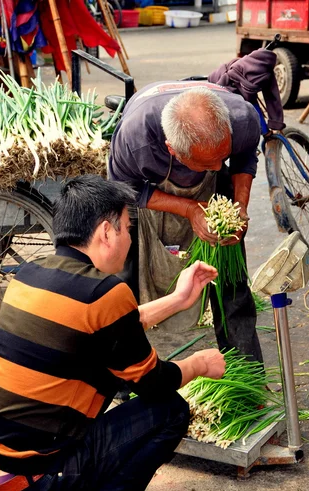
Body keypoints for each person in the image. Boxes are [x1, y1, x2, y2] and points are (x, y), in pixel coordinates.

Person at [0, 175, 226, 491]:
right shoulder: (107, 292)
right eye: (128, 229)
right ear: (106, 232)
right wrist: (198, 364)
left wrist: (178, 300)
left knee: (85, 376)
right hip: (28, 481)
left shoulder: (31, 275)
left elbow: (107, 330)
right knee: (169, 410)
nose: (130, 240)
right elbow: (153, 383)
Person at [109, 82, 263, 363]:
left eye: (221, 157)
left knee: (231, 276)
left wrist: (239, 208)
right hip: (144, 187)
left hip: (205, 157)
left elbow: (242, 159)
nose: (218, 169)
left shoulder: (243, 118)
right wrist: (190, 209)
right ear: (172, 150)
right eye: (206, 164)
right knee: (123, 278)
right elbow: (124, 189)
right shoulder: (136, 141)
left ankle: (245, 365)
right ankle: (124, 374)